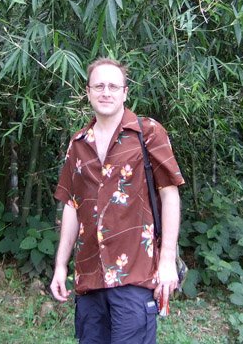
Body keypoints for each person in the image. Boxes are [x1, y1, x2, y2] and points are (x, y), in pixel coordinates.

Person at [50, 57, 185, 344]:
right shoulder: (78, 144)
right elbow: (72, 205)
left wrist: (168, 261)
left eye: (113, 86)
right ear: (87, 92)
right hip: (90, 278)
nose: (106, 92)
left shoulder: (148, 133)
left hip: (134, 276)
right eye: (99, 86)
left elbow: (169, 194)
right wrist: (61, 265)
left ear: (125, 92)